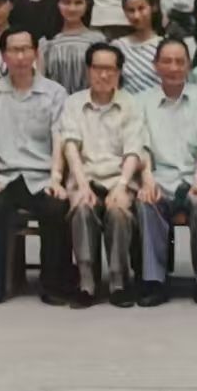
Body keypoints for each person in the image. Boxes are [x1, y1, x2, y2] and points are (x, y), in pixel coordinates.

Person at [0, 28, 74, 305]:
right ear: (3, 56)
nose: (20, 56)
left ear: (35, 53)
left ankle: (52, 285)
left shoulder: (54, 93)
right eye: (13, 50)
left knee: (56, 208)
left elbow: (59, 137)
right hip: (6, 176)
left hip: (42, 175)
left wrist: (56, 178)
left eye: (25, 49)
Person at [134, 37, 197, 307]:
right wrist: (147, 179)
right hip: (159, 176)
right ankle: (154, 281)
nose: (173, 68)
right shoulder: (141, 101)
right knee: (147, 201)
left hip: (195, 175)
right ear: (155, 65)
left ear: (189, 65)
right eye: (167, 61)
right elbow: (140, 145)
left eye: (180, 62)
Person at [61, 42, 146, 307]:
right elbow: (70, 147)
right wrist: (82, 185)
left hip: (119, 178)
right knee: (82, 209)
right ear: (88, 70)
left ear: (119, 72)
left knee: (118, 212)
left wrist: (121, 185)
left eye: (111, 69)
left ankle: (119, 281)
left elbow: (134, 150)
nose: (104, 74)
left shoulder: (131, 104)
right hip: (85, 177)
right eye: (98, 68)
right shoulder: (73, 103)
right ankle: (87, 282)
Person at [41, 0, 106, 95]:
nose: (72, 8)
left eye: (78, 2)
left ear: (87, 4)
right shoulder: (47, 43)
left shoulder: (98, 40)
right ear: (57, 3)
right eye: (66, 2)